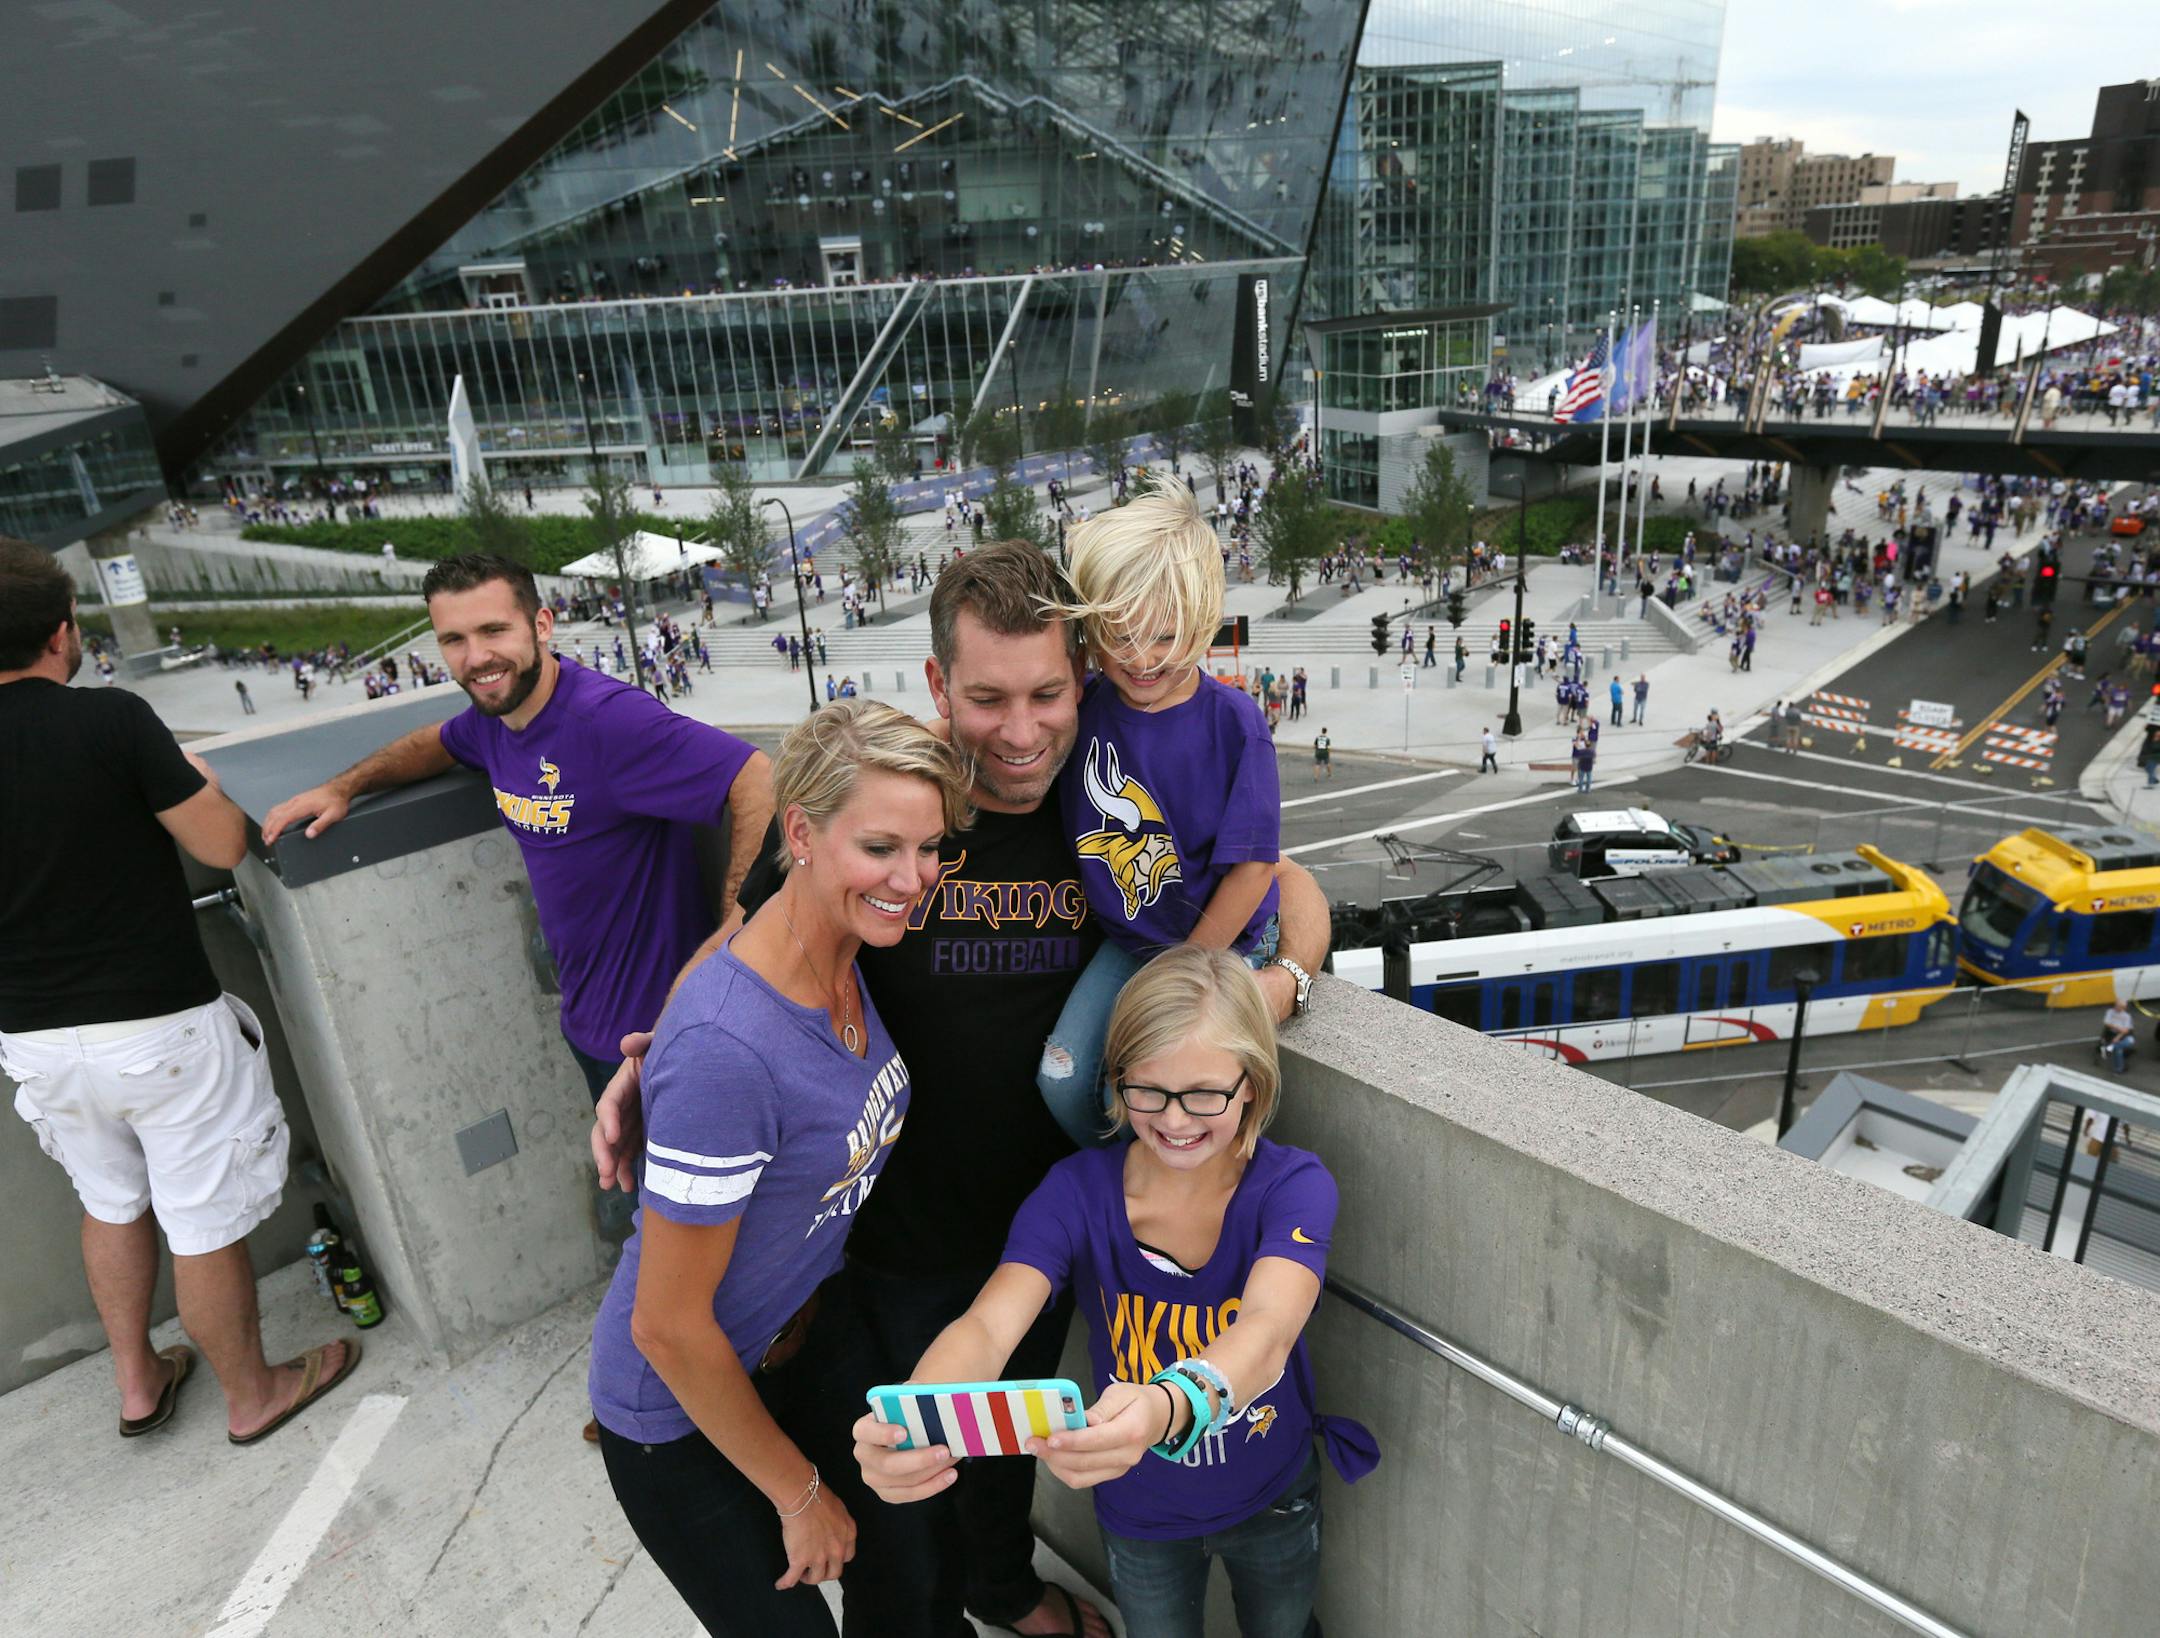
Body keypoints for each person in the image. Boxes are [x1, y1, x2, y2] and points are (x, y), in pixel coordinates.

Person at [594, 542, 1330, 1638]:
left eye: (1047, 694)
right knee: (907, 1493)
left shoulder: (1108, 795)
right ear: (940, 687)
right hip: (885, 1235)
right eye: (987, 698)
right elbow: (749, 933)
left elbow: (1283, 877)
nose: (1023, 731)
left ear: (1081, 677)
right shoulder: (900, 804)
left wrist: (1281, 984)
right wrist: (651, 1057)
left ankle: (1007, 1587)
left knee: (1000, 1458)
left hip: (1044, 1220)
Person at [853, 948, 1375, 1638]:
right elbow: (988, 1326)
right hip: (1139, 1515)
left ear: (1252, 1082)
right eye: (1149, 1091)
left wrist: (1166, 1408)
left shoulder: (1294, 1186)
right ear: (1116, 1079)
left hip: (1272, 1494)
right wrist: (916, 1419)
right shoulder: (1074, 1193)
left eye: (1205, 1094)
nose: (1177, 1120)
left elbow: (1267, 1332)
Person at [588, 701, 973, 1638]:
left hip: (810, 1327)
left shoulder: (842, 941)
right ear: (798, 832)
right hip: (681, 1408)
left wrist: (646, 1060)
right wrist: (798, 1494)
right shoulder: (729, 1051)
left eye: (929, 850)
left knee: (914, 1563)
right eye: (881, 846)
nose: (913, 879)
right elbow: (669, 1327)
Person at [0, 539, 359, 1442]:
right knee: (200, 1219)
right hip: (156, 1026)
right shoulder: (109, 721)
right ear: (58, 633)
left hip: (35, 1040)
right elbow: (223, 846)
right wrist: (191, 776)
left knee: (109, 1200)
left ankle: (137, 1380)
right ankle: (255, 1395)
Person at [261, 554, 773, 1106]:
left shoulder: (607, 720)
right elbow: (435, 742)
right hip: (588, 1024)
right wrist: (345, 786)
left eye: (493, 630)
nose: (476, 657)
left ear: (542, 626)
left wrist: (736, 934)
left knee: (657, 1193)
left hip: (662, 1037)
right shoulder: (494, 723)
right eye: (453, 639)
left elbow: (756, 776)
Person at [1039, 483, 1281, 1150]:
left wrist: (1187, 967)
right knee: (1063, 1078)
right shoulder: (1086, 708)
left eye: (1165, 637)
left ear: (1204, 619)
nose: (1142, 659)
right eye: (1119, 636)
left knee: (1167, 1089)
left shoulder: (1235, 724)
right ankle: (1119, 1171)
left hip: (1222, 946)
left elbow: (1255, 867)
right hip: (1132, 941)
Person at [2101, 1000, 2135, 1073]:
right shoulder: (2110, 1012)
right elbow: (2106, 1023)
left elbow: (2125, 1030)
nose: (2116, 1007)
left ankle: (2109, 1048)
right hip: (2112, 1034)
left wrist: (2117, 1037)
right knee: (2119, 1049)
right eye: (2116, 1005)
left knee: (2129, 1041)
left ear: (2123, 1008)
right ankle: (2119, 1068)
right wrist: (2118, 1028)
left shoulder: (2127, 1016)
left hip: (2122, 1036)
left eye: (2118, 1006)